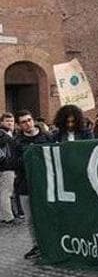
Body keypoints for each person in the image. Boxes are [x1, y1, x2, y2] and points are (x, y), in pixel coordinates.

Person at [12, 110, 53, 259]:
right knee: (30, 218)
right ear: (19, 125)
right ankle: (36, 245)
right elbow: (14, 162)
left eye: (29, 120)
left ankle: (50, 243)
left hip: (46, 183)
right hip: (25, 185)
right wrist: (28, 158)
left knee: (47, 215)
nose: (27, 123)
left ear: (33, 120)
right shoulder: (16, 142)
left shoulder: (47, 137)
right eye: (23, 122)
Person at [0, 113, 16, 224]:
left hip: (5, 166)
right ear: (1, 122)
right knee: (6, 192)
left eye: (12, 121)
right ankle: (8, 217)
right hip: (6, 166)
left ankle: (3, 216)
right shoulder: (3, 134)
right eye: (7, 121)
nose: (10, 123)